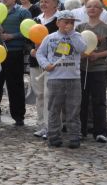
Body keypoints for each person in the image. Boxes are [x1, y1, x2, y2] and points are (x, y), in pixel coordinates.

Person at [35, 10, 87, 148]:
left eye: (72, 22)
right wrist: (46, 65)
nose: (69, 24)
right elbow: (40, 53)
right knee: (54, 109)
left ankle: (74, 137)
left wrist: (71, 34)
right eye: (66, 22)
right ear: (58, 23)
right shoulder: (50, 37)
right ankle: (53, 136)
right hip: (55, 78)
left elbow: (82, 48)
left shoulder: (77, 36)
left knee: (73, 110)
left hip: (73, 78)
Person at [76, 0, 107, 143]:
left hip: (100, 69)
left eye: (96, 6)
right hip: (82, 69)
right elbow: (74, 48)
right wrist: (82, 55)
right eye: (89, 6)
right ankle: (81, 130)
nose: (92, 9)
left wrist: (98, 55)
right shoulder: (80, 27)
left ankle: (100, 132)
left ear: (101, 10)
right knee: (81, 100)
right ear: (85, 9)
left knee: (99, 100)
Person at [0, 0, 32, 125]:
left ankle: (18, 116)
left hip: (14, 52)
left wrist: (11, 36)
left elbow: (29, 31)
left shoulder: (23, 12)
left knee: (15, 85)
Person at [28, 0, 59, 139]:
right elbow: (28, 41)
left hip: (51, 64)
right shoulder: (35, 20)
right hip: (35, 62)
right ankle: (41, 125)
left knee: (49, 95)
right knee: (39, 95)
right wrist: (31, 50)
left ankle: (51, 126)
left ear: (55, 3)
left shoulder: (59, 20)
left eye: (47, 1)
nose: (43, 3)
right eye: (42, 1)